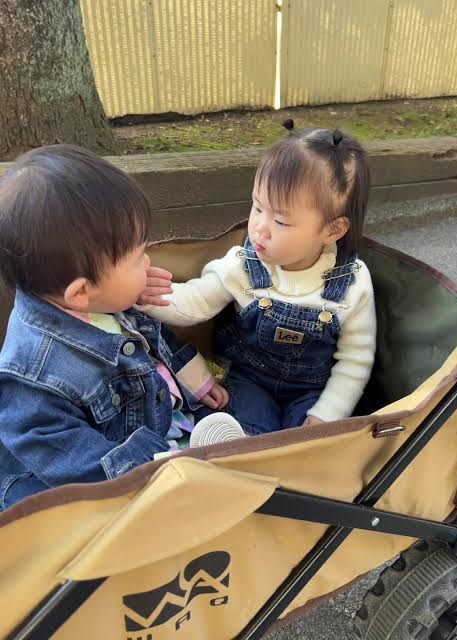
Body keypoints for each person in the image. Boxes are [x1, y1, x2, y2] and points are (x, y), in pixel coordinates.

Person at [0, 144, 232, 509]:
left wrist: (196, 381)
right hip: (119, 476)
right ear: (81, 292)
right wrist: (151, 471)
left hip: (163, 416)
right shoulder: (32, 374)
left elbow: (155, 342)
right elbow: (68, 456)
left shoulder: (101, 297)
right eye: (138, 257)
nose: (149, 261)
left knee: (241, 441)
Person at [138, 121, 376, 435]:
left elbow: (355, 360)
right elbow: (195, 302)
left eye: (281, 221)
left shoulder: (351, 284)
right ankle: (228, 448)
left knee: (306, 441)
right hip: (248, 379)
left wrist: (327, 414)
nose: (260, 228)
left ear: (332, 230)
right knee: (248, 430)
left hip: (313, 391)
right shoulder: (243, 264)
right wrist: (146, 295)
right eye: (258, 207)